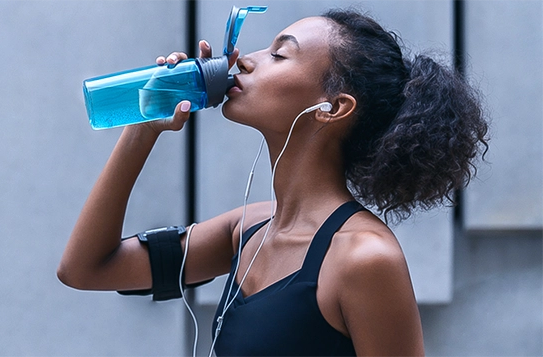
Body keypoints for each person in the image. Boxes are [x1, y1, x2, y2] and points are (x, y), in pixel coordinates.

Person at [58, 9, 488, 357]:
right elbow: (85, 269)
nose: (245, 59)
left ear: (333, 107)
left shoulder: (364, 258)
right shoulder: (248, 231)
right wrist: (143, 128)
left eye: (279, 55)